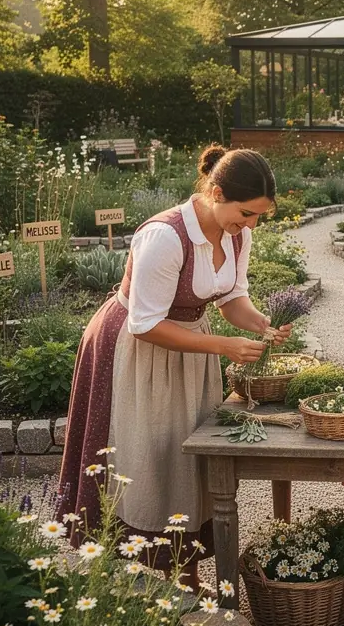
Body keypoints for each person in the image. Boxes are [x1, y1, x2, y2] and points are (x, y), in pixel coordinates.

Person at [57, 145, 292, 587]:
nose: (251, 224)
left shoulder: (237, 234)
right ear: (216, 193)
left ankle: (187, 577)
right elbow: (144, 324)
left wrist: (261, 323)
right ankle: (143, 579)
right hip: (137, 352)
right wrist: (222, 346)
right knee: (147, 456)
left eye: (259, 216)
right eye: (246, 213)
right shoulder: (165, 237)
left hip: (191, 348)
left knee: (187, 461)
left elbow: (230, 299)